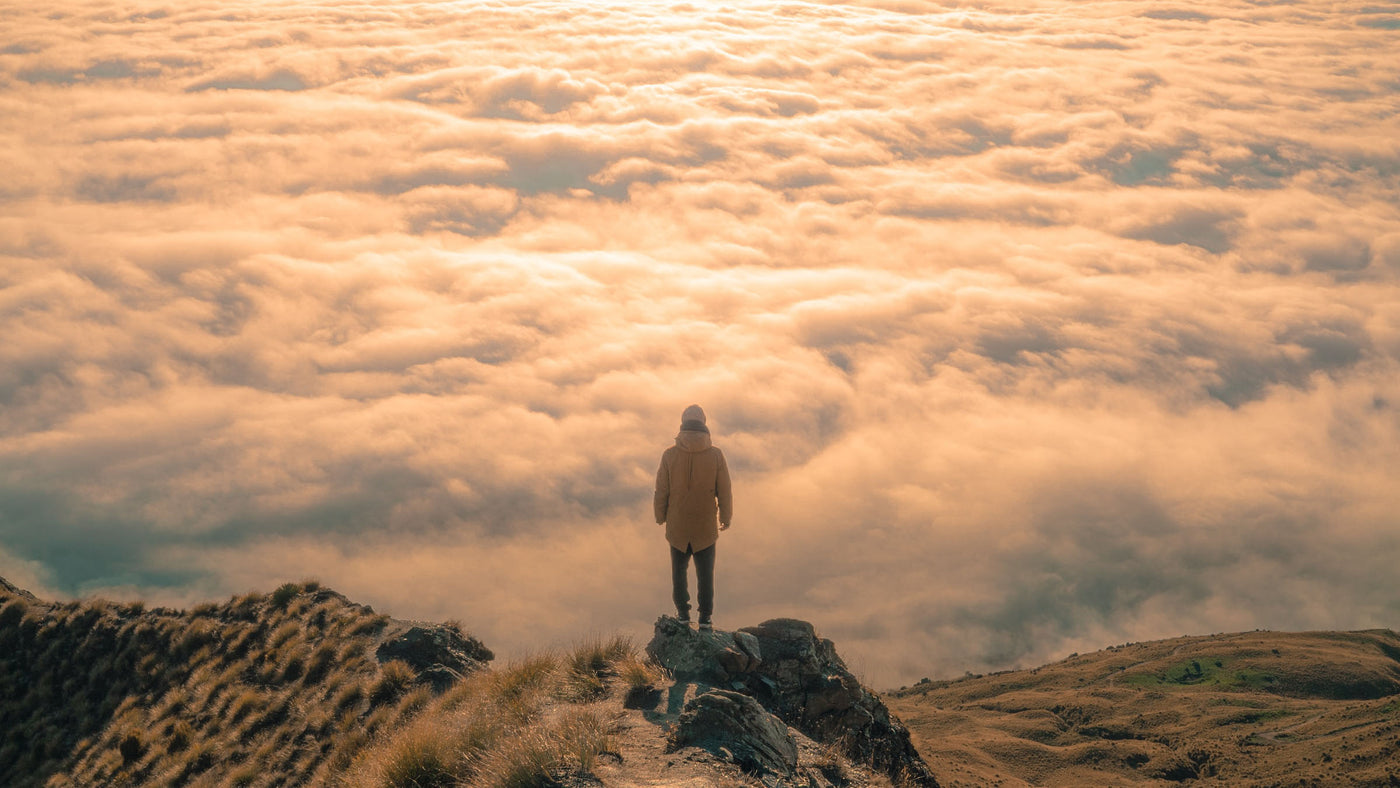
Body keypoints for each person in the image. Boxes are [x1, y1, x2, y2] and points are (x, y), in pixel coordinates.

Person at [654, 404, 732, 631]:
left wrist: (660, 516)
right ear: (704, 424)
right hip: (705, 525)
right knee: (705, 574)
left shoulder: (669, 455)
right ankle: (706, 618)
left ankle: (683, 614)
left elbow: (662, 489)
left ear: (682, 423)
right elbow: (724, 490)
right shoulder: (716, 455)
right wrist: (725, 517)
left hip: (677, 524)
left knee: (678, 572)